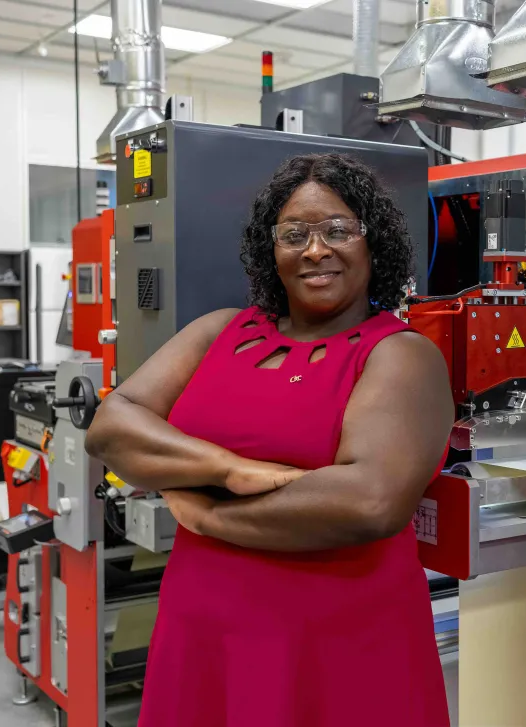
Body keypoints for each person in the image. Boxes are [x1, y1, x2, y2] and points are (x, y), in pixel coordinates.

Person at [85, 153, 453, 726]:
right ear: (270, 249)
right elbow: (112, 426)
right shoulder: (218, 331)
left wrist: (207, 516)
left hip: (337, 644)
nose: (314, 249)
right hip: (202, 628)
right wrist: (227, 469)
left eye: (338, 230)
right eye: (294, 234)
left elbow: (369, 501)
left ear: (372, 240)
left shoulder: (400, 354)